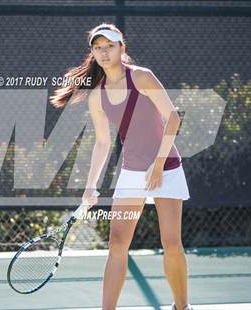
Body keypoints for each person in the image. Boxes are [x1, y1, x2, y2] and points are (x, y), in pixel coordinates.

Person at [50, 23, 193, 310]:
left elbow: (173, 118)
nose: (104, 52)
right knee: (116, 244)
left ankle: (182, 307)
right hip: (131, 172)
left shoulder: (141, 77)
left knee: (172, 243)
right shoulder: (97, 97)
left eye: (110, 46)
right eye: (98, 47)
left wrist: (158, 165)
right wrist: (91, 186)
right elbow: (103, 143)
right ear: (92, 52)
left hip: (166, 166)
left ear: (122, 48)